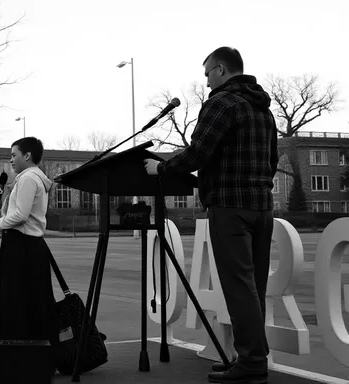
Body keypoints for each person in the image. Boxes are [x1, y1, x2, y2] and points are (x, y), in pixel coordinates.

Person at [144, 47, 278, 384]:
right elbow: (272, 160)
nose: (205, 82)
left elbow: (199, 152)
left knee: (238, 287)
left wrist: (163, 168)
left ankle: (251, 363)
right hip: (262, 206)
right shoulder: (264, 110)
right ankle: (252, 358)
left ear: (220, 69)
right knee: (254, 288)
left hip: (230, 207)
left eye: (207, 74)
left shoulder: (221, 103)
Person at [0, 137, 55, 344]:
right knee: (33, 302)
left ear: (27, 156)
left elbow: (21, 215)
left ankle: (16, 351)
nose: (11, 160)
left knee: (15, 301)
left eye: (14, 155)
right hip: (30, 247)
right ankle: (36, 353)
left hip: (21, 246)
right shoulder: (34, 178)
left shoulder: (28, 179)